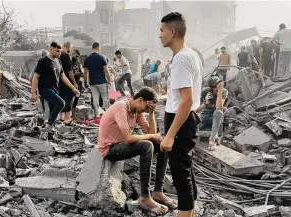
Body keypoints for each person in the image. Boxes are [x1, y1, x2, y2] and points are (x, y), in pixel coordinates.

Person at [98, 87, 176, 215]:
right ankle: (145, 196)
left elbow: (150, 132)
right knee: (146, 146)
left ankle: (158, 191)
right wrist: (151, 136)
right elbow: (129, 138)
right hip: (109, 149)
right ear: (140, 100)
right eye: (146, 108)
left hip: (121, 145)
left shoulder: (136, 112)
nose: (145, 111)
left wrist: (151, 114)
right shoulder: (121, 106)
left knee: (163, 145)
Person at [159, 12, 202, 217]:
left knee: (180, 176)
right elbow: (183, 96)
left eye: (162, 30)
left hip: (180, 121)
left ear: (172, 32)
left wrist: (169, 134)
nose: (160, 35)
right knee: (186, 171)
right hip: (185, 119)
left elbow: (187, 100)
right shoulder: (189, 54)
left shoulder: (182, 58)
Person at [31, 41, 80, 131]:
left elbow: (63, 77)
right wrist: (33, 93)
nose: (59, 53)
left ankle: (50, 131)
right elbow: (35, 77)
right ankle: (49, 124)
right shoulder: (43, 61)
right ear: (51, 49)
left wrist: (73, 88)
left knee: (53, 111)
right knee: (61, 103)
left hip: (55, 89)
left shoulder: (58, 61)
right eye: (57, 51)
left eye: (60, 51)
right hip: (45, 89)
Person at [196, 76, 227, 151]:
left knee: (218, 112)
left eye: (219, 88)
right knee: (189, 130)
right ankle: (213, 134)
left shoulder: (223, 91)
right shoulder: (205, 91)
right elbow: (195, 110)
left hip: (215, 119)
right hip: (204, 117)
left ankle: (212, 140)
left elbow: (219, 107)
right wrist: (205, 103)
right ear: (211, 88)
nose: (217, 90)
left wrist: (219, 91)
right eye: (215, 89)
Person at [84, 42, 111, 118]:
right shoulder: (102, 57)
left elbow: (85, 72)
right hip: (102, 81)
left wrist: (85, 82)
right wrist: (109, 80)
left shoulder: (87, 59)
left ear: (92, 48)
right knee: (104, 97)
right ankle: (106, 112)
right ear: (98, 48)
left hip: (92, 82)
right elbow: (106, 71)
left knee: (95, 97)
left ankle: (97, 113)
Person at [59, 42, 76, 125]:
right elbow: (70, 71)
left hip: (57, 80)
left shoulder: (56, 54)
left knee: (59, 98)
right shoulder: (66, 55)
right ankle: (67, 118)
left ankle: (60, 118)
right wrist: (74, 82)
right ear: (69, 47)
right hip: (66, 80)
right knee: (69, 99)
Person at [71, 49, 83, 120]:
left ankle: (73, 116)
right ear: (73, 54)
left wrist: (79, 73)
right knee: (70, 99)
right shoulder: (69, 62)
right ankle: (67, 116)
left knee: (76, 99)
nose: (77, 58)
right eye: (76, 56)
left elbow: (80, 71)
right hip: (71, 83)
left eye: (78, 56)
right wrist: (75, 74)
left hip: (78, 82)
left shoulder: (77, 62)